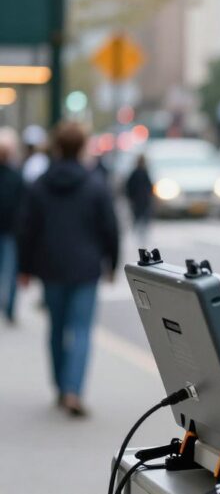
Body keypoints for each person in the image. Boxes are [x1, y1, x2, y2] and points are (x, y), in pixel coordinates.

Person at [17, 121, 120, 417]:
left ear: (57, 147)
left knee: (56, 328)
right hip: (86, 267)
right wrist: (111, 262)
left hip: (50, 267)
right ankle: (74, 389)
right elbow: (109, 228)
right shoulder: (95, 184)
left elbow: (27, 229)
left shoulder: (40, 185)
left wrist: (24, 268)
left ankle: (61, 386)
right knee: (82, 330)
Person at [0, 127, 23, 323]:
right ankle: (9, 307)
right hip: (11, 232)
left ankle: (7, 305)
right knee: (10, 271)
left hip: (10, 232)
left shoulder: (17, 176)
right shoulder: (17, 177)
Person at [125, 155, 154, 248]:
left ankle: (139, 234)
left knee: (139, 218)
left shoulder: (137, 173)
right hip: (141, 200)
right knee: (141, 218)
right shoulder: (142, 173)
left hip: (139, 200)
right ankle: (139, 234)